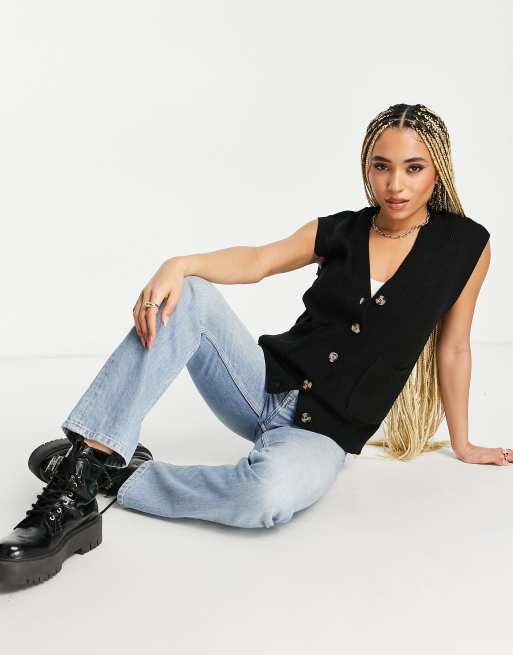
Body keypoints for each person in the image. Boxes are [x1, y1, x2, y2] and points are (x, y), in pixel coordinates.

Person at [0, 102, 507, 588]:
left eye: (413, 168)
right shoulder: (343, 230)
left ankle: (116, 477)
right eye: (382, 166)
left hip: (323, 435)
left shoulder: (466, 246)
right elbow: (259, 261)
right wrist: (179, 265)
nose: (395, 184)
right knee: (189, 294)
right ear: (367, 168)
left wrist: (463, 444)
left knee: (265, 498)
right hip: (261, 384)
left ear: (437, 170)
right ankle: (79, 474)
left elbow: (454, 349)